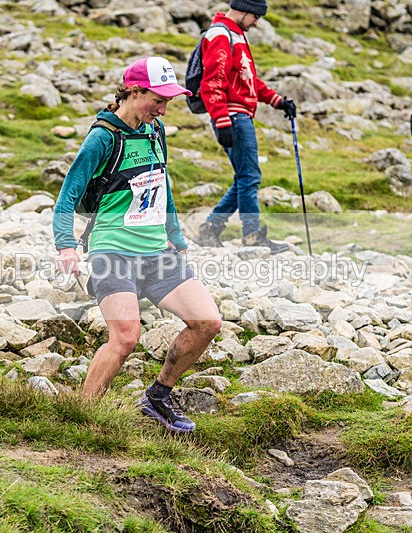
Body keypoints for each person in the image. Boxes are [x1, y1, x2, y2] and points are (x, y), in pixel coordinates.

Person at [52, 56, 222, 433]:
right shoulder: (102, 138)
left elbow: (163, 186)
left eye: (167, 101)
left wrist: (176, 237)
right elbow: (66, 198)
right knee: (126, 337)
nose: (163, 109)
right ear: (133, 91)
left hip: (156, 251)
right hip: (111, 252)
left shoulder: (154, 130)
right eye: (157, 100)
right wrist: (66, 245)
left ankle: (158, 396)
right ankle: (83, 416)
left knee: (207, 322)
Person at [192, 0, 295, 251]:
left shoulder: (236, 35)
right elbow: (212, 81)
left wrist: (277, 101)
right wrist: (221, 119)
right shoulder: (220, 34)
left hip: (238, 115)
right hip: (233, 116)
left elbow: (248, 80)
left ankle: (210, 229)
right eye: (255, 17)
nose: (257, 22)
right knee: (249, 176)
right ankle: (252, 236)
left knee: (245, 177)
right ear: (243, 10)